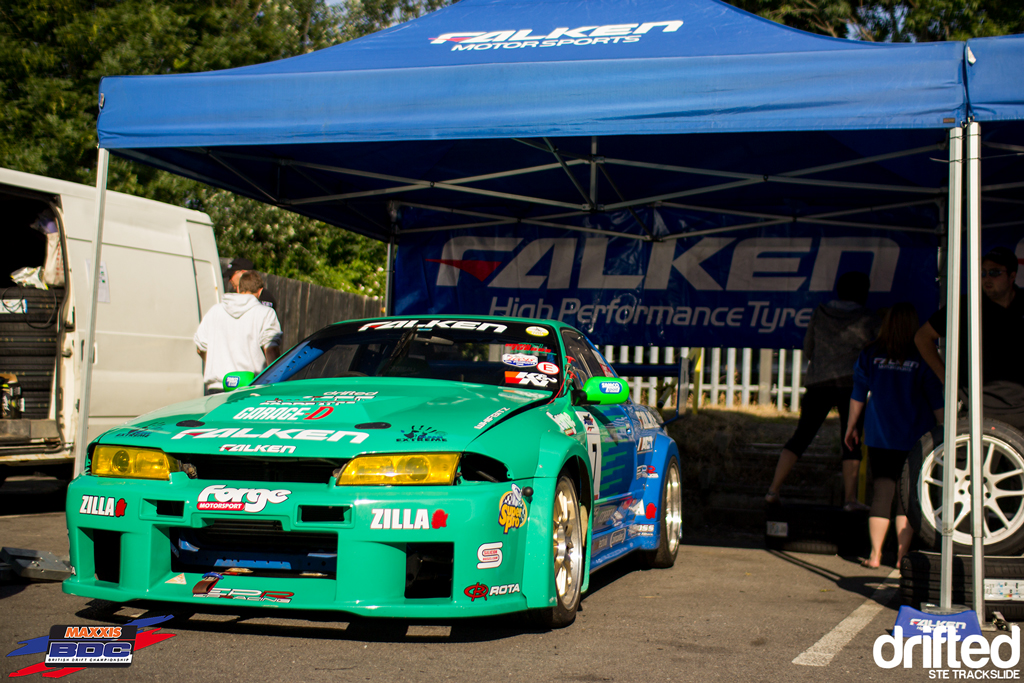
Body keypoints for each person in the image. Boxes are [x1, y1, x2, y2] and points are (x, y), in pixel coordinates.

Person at [766, 271, 879, 510]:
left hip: (818, 382)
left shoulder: (820, 312)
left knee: (801, 437)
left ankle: (773, 490)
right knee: (851, 441)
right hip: (851, 385)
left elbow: (809, 348)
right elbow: (873, 351)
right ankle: (849, 499)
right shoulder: (868, 317)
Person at [845, 303, 944, 568]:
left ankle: (875, 555)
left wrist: (852, 426)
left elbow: (857, 393)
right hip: (916, 436)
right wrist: (947, 430)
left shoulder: (871, 353)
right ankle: (901, 557)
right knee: (907, 497)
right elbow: (936, 399)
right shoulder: (924, 356)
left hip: (879, 435)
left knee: (882, 493)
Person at [914, 246, 1024, 428]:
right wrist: (947, 379)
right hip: (979, 410)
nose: (987, 278)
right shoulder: (966, 305)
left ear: (1012, 276)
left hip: (1021, 410)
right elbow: (922, 337)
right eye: (982, 273)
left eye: (994, 272)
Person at [195, 271, 282, 395]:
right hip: (251, 388)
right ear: (260, 291)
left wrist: (217, 364)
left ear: (238, 288)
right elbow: (271, 350)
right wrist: (275, 383)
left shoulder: (214, 312)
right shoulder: (265, 313)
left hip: (216, 389)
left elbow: (200, 348)